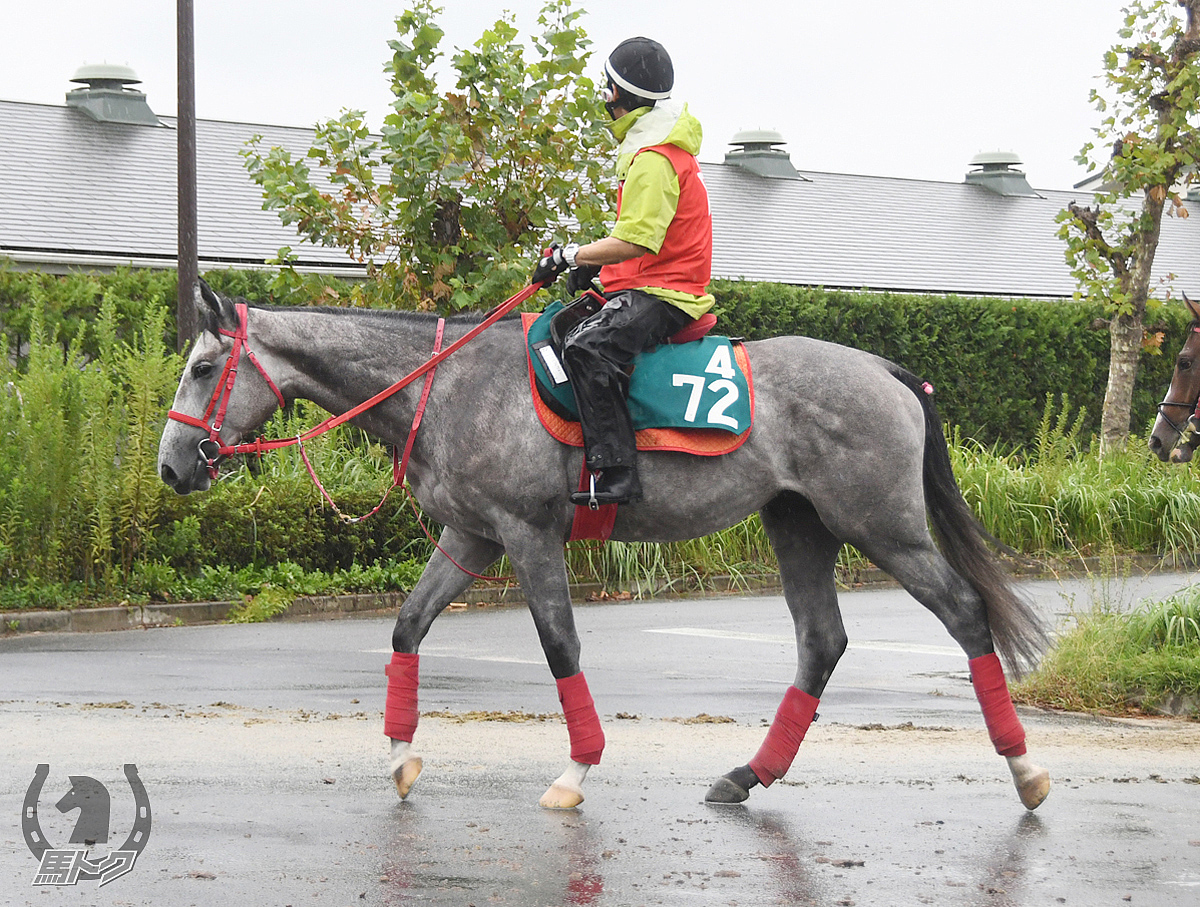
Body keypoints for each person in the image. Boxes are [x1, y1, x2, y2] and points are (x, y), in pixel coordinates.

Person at [532, 36, 714, 507]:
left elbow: (636, 239)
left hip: (668, 294)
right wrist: (591, 268)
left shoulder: (654, 159)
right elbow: (642, 241)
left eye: (605, 86)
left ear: (617, 94)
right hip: (644, 282)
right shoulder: (649, 147)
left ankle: (616, 470)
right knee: (557, 325)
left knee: (589, 347)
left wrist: (571, 256)